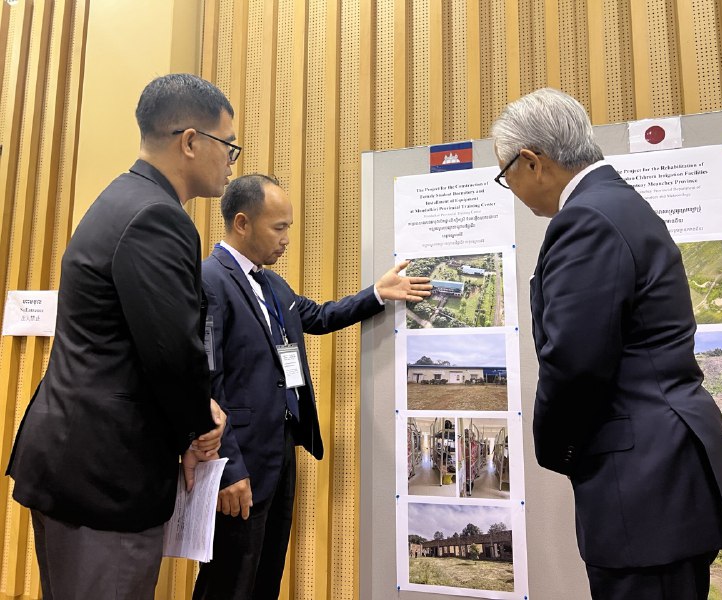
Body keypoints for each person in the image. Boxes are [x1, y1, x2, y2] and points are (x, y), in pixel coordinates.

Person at [490, 88, 722, 599]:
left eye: (506, 175)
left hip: (644, 482)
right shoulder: (617, 204)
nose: (512, 188)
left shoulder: (586, 219)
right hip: (663, 471)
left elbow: (574, 362)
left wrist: (559, 451)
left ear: (532, 162)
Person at [6, 73, 235, 599]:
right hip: (104, 477)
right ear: (191, 141)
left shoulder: (123, 197)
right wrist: (202, 427)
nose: (230, 160)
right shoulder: (157, 216)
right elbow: (171, 353)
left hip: (77, 461)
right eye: (228, 145)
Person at [193, 174, 431, 600]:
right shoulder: (210, 280)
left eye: (289, 227)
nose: (286, 239)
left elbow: (319, 317)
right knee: (228, 581)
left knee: (265, 575)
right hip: (240, 459)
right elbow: (207, 383)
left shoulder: (271, 284)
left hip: (280, 451)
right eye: (278, 227)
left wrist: (377, 294)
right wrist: (228, 467)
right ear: (242, 223)